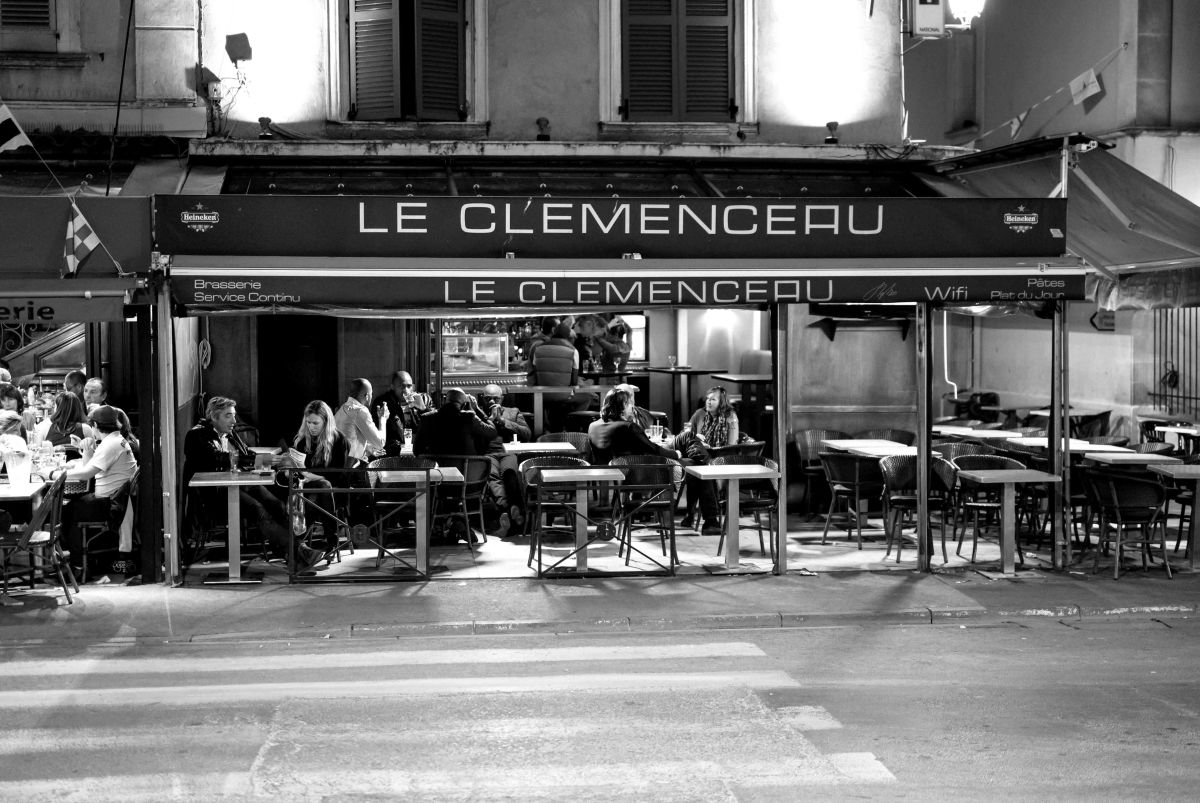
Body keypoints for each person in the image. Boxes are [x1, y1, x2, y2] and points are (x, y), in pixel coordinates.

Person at [181, 396, 309, 565]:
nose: (234, 421)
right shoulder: (196, 435)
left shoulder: (230, 433)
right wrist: (256, 460)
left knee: (277, 505)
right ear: (213, 417)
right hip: (214, 494)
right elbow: (216, 458)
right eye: (228, 416)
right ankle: (297, 553)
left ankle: (293, 552)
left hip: (239, 484)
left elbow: (245, 453)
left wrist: (271, 460)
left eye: (234, 415)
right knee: (258, 510)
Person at [55, 405, 138, 579]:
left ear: (94, 425)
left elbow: (86, 473)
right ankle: (75, 562)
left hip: (111, 503)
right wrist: (86, 450)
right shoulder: (114, 440)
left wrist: (55, 474)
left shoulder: (111, 444)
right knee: (70, 508)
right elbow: (90, 467)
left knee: (68, 511)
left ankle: (78, 566)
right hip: (116, 498)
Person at [283, 400, 351, 554]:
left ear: (326, 422)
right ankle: (329, 541)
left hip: (334, 489)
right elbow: (298, 472)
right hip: (306, 486)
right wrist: (289, 468)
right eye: (308, 422)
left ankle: (296, 546)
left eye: (315, 423)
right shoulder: (302, 440)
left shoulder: (339, 440)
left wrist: (313, 476)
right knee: (315, 493)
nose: (311, 427)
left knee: (322, 488)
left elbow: (339, 475)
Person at [675, 386, 739, 534]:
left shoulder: (730, 417)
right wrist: (696, 439)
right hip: (702, 458)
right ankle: (710, 521)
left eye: (713, 399)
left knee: (699, 471)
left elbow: (731, 447)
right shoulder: (700, 414)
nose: (709, 402)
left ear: (721, 401)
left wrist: (711, 448)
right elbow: (685, 434)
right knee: (696, 468)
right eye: (708, 399)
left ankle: (694, 515)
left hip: (722, 459)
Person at [472, 383, 531, 535]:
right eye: (488, 398)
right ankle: (510, 510)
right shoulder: (476, 414)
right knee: (492, 477)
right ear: (481, 399)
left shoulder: (513, 412)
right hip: (487, 454)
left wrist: (503, 421)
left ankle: (508, 512)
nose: (492, 401)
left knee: (510, 473)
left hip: (508, 452)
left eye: (496, 398)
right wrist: (487, 419)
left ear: (502, 398)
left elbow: (527, 434)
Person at [587, 390, 679, 466]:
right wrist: (676, 454)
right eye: (630, 403)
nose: (632, 407)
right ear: (624, 404)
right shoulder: (629, 426)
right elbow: (653, 449)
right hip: (630, 475)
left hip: (601, 476)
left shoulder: (592, 426)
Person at [528, 321, 590, 432]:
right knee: (586, 398)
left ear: (554, 333)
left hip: (542, 395)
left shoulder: (538, 348)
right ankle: (572, 427)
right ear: (568, 336)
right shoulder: (573, 350)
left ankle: (546, 430)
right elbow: (574, 380)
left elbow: (535, 370)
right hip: (564, 395)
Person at [371, 370, 432, 455]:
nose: (406, 390)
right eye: (402, 386)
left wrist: (423, 409)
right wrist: (400, 448)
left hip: (420, 450)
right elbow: (377, 432)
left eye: (409, 386)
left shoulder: (424, 399)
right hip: (395, 452)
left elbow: (434, 427)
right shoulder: (383, 403)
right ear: (392, 387)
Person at [334, 378, 388, 466]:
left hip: (338, 463)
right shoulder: (360, 411)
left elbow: (349, 438)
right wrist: (382, 419)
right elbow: (380, 443)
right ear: (367, 396)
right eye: (371, 394)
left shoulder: (342, 408)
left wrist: (369, 448)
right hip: (350, 467)